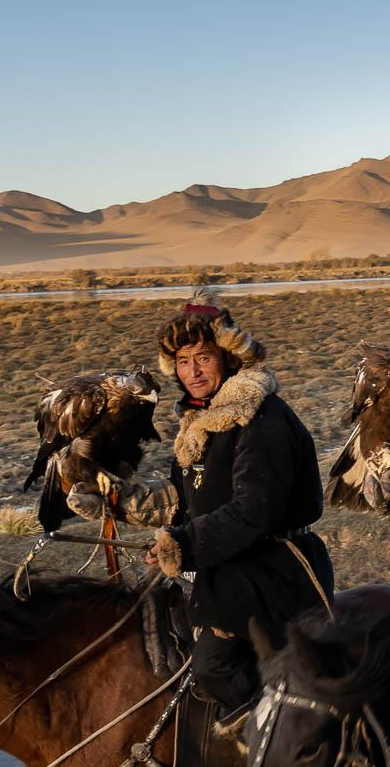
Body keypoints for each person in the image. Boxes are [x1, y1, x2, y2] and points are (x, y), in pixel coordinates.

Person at [70, 302, 333, 720]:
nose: (192, 372)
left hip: (276, 571)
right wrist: (119, 501)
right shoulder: (204, 420)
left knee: (214, 666)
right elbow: (185, 498)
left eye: (204, 359)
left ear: (228, 358)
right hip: (230, 565)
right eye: (183, 362)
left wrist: (181, 546)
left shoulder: (260, 419)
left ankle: (270, 752)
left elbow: (253, 510)